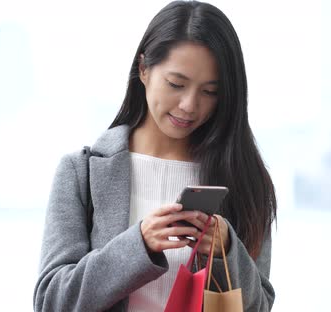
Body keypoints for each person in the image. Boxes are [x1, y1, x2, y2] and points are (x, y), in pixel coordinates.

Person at [33, 1, 277, 311]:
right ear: (144, 69)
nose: (189, 104)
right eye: (176, 84)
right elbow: (51, 302)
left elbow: (259, 308)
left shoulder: (245, 179)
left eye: (210, 91)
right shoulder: (83, 173)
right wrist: (138, 246)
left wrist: (226, 252)